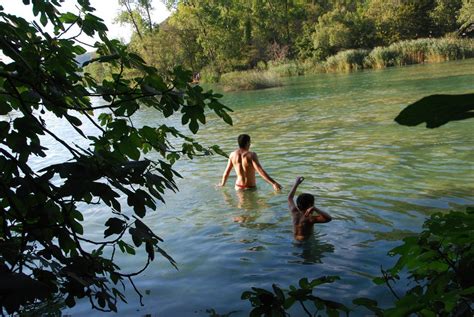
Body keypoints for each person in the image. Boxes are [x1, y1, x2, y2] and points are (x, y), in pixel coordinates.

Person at [288, 176, 332, 241]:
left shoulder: (294, 211)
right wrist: (315, 209)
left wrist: (296, 183)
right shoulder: (311, 216)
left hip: (294, 239)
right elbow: (329, 218)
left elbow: (290, 198)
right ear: (310, 205)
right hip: (305, 242)